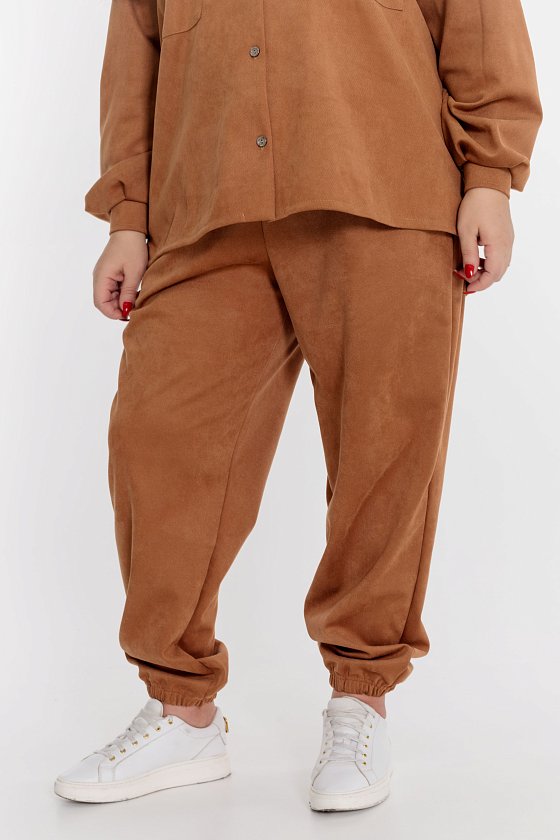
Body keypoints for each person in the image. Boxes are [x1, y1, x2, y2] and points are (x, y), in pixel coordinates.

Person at [54, 0, 542, 811]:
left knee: (386, 453)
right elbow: (135, 47)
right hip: (205, 203)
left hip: (385, 187)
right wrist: (127, 219)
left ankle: (360, 699)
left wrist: (490, 178)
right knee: (157, 438)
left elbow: (478, 19)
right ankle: (183, 712)